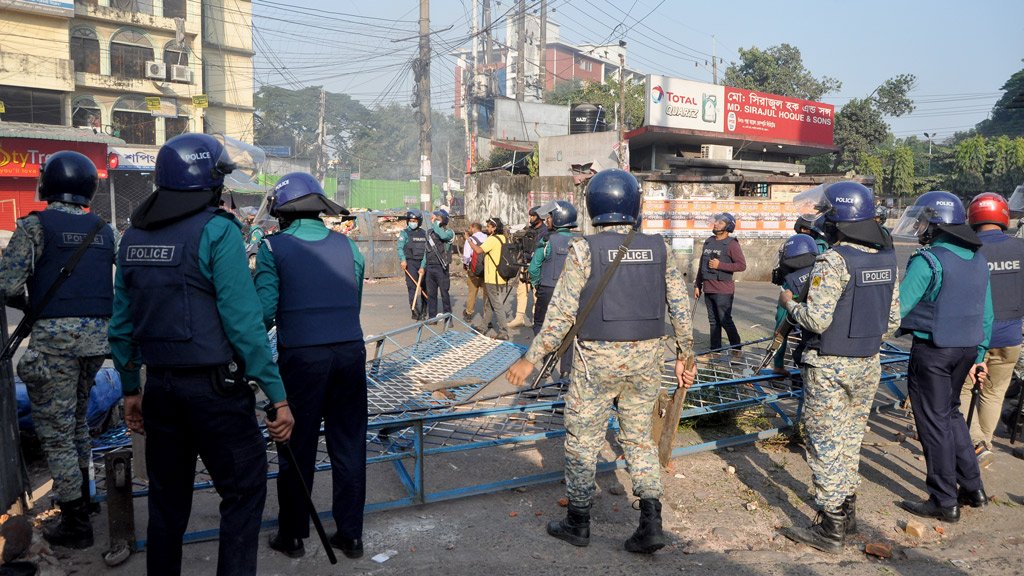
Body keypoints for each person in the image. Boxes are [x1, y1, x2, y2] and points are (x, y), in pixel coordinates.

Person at [109, 133, 294, 576]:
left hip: (161, 391)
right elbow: (244, 324)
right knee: (243, 493)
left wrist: (131, 389)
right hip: (216, 393)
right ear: (211, 182)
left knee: (167, 504)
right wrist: (277, 396)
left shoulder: (132, 238)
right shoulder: (218, 231)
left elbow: (121, 325)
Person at [506, 169, 697, 554]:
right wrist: (685, 357)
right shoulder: (659, 248)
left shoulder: (583, 249)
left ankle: (578, 522)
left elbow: (560, 313)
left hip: (596, 362)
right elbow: (680, 306)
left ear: (593, 206)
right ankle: (651, 522)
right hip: (646, 359)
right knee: (639, 438)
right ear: (633, 205)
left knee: (582, 440)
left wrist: (532, 358)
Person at [0, 151, 116, 549]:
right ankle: (83, 500)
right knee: (79, 424)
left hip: (55, 347)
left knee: (57, 435)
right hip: (97, 343)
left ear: (48, 184)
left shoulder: (35, 227)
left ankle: (75, 524)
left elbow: (7, 284)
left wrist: (34, 307)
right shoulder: (105, 230)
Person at [779, 181, 900, 553]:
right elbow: (892, 321)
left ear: (838, 220)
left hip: (830, 366)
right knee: (849, 441)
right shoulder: (886, 257)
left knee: (825, 444)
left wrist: (789, 303)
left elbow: (815, 320)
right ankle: (846, 513)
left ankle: (829, 528)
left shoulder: (834, 259)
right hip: (867, 363)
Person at [253, 172, 367, 560]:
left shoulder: (272, 248)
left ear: (282, 212)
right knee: (348, 444)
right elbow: (354, 298)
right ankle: (350, 535)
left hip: (302, 358)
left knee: (296, 445)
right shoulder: (348, 246)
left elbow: (264, 312)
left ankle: (293, 535)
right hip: (350, 352)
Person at [893, 190, 992, 523]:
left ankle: (943, 499)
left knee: (933, 422)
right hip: (966, 349)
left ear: (936, 225)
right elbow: (987, 313)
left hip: (933, 351)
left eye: (924, 221)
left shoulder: (928, 259)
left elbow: (899, 308)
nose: (920, 226)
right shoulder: (977, 259)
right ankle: (973, 488)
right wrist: (979, 353)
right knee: (950, 414)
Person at [959, 193, 1024, 468]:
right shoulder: (1021, 248)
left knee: (961, 391)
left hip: (973, 336)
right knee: (994, 392)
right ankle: (983, 443)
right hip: (1010, 336)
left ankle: (973, 443)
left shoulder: (966, 248)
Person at [528, 200, 578, 376]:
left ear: (557, 219)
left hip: (548, 289)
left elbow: (534, 268)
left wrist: (536, 284)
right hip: (571, 291)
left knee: (541, 325)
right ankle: (565, 370)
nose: (547, 220)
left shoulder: (547, 240)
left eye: (549, 217)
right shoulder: (579, 241)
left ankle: (546, 363)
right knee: (569, 329)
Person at [694, 212, 746, 352]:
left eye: (720, 223)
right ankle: (715, 350)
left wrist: (720, 265)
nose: (716, 224)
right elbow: (702, 265)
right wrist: (697, 285)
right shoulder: (709, 241)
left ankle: (736, 349)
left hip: (723, 289)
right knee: (713, 321)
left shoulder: (732, 244)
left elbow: (741, 265)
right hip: (708, 288)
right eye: (716, 221)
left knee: (725, 321)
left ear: (728, 227)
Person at [769, 234, 819, 376]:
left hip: (816, 349)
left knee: (799, 355)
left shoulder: (790, 285)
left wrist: (778, 364)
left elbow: (780, 327)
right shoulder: (822, 270)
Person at [466, 217, 512, 340]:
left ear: (494, 228)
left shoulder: (492, 239)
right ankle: (483, 327)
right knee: (491, 304)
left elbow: (478, 250)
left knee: (496, 305)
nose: (487, 228)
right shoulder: (504, 238)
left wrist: (468, 240)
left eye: (489, 226)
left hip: (493, 277)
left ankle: (504, 331)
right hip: (502, 277)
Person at [509, 206, 549, 328]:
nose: (531, 218)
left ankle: (536, 318)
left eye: (533, 216)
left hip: (538, 265)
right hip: (525, 263)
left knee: (537, 292)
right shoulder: (529, 230)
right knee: (521, 290)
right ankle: (519, 318)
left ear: (539, 218)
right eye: (530, 216)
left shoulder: (545, 232)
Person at [423, 209, 454, 318]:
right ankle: (432, 317)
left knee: (444, 293)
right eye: (435, 218)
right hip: (430, 267)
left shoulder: (449, 232)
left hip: (442, 267)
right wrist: (423, 266)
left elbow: (443, 236)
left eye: (437, 218)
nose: (435, 220)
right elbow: (426, 251)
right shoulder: (429, 233)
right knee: (431, 294)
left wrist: (435, 224)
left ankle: (448, 317)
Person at [397, 210, 427, 320]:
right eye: (410, 221)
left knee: (425, 287)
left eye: (414, 221)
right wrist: (403, 260)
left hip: (422, 263)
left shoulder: (424, 234)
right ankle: (414, 310)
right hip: (410, 263)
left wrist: (423, 266)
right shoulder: (404, 233)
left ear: (419, 221)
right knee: (412, 287)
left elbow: (426, 252)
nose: (412, 222)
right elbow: (400, 247)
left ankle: (424, 310)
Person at [462, 222, 488, 321]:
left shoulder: (470, 239)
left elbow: (467, 256)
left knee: (472, 292)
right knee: (486, 294)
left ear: (473, 228)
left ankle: (469, 313)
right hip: (486, 270)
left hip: (474, 270)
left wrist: (465, 265)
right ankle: (487, 316)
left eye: (470, 227)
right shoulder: (487, 238)